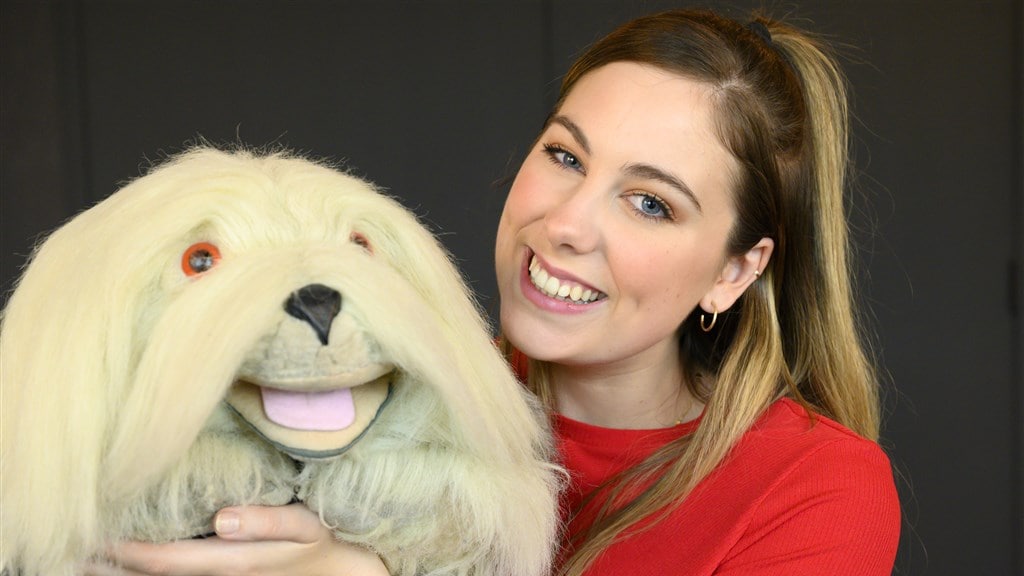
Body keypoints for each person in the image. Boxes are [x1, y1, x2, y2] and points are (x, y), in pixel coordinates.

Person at [94, 8, 900, 576]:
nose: (567, 223)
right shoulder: (385, 391)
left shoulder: (817, 490)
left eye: (650, 202)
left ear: (736, 269)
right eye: (566, 157)